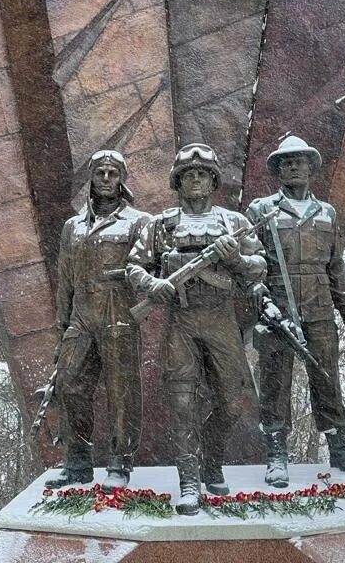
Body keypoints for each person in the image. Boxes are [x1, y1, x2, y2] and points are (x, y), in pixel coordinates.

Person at [127, 143, 266, 514]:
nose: (196, 181)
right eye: (188, 175)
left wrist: (233, 256)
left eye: (202, 174)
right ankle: (189, 481)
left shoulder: (234, 223)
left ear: (213, 180)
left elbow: (258, 267)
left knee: (234, 400)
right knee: (182, 404)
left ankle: (212, 456)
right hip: (181, 322)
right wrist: (153, 284)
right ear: (178, 181)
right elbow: (134, 266)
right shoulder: (161, 224)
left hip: (222, 320)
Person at [246, 135, 345, 487]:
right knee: (275, 384)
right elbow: (250, 265)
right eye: (286, 162)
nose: (293, 167)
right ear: (278, 171)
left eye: (299, 161)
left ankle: (341, 450)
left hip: (319, 310)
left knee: (327, 380)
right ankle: (276, 456)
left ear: (311, 167)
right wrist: (262, 305)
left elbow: (336, 266)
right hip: (276, 313)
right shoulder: (261, 211)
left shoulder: (327, 213)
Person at [48, 150, 151, 490]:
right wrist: (62, 324)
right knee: (70, 383)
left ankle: (120, 461)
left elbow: (149, 272)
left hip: (117, 309)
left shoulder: (138, 222)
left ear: (121, 179)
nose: (106, 179)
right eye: (100, 173)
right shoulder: (72, 226)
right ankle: (77, 460)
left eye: (113, 173)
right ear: (91, 178)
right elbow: (65, 279)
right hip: (81, 313)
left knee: (121, 390)